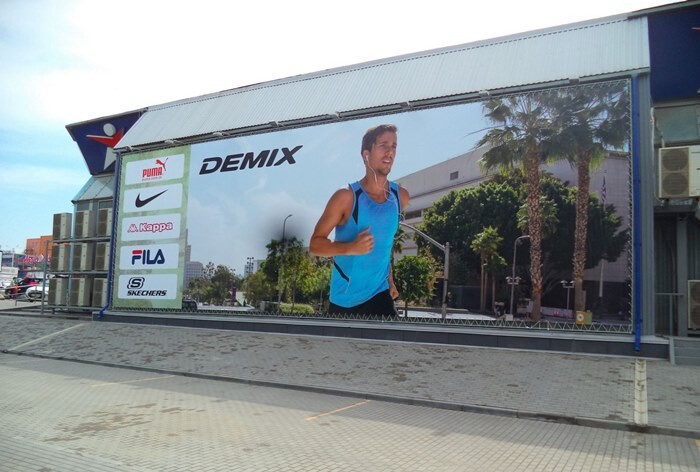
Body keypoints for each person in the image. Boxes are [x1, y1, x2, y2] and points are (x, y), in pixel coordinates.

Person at [310, 124, 410, 317]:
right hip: (346, 301)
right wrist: (350, 248)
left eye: (394, 146)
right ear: (366, 154)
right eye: (383, 145)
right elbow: (315, 245)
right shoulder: (346, 197)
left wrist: (390, 280)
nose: (390, 152)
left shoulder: (400, 197)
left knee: (396, 336)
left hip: (380, 294)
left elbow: (385, 245)